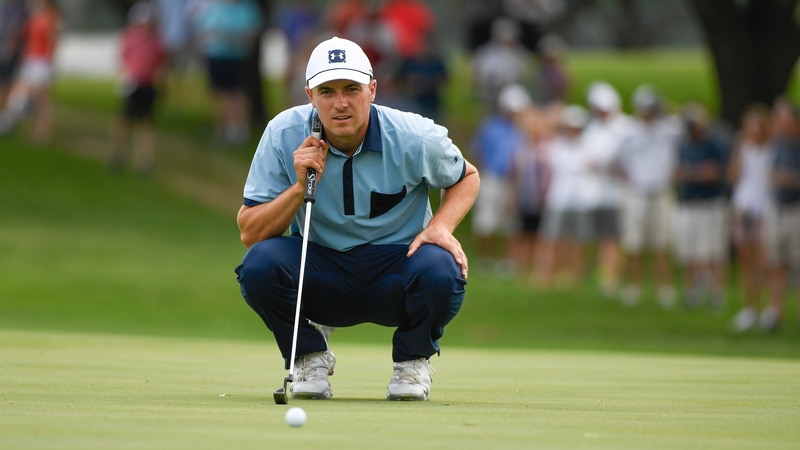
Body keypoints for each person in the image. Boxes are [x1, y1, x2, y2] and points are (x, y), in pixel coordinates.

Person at [235, 37, 479, 401]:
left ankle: (412, 360)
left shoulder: (414, 135)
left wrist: (440, 227)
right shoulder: (284, 133)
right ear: (310, 95)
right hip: (321, 268)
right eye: (327, 91)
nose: (341, 103)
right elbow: (251, 232)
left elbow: (466, 177)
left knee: (443, 266)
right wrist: (298, 188)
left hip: (397, 268)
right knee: (260, 264)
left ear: (373, 90)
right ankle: (308, 354)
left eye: (352, 89)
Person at [617, 85, 681, 308]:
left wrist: (665, 109)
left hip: (661, 192)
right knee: (634, 243)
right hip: (637, 193)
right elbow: (618, 162)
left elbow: (685, 116)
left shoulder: (669, 129)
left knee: (662, 243)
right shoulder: (629, 131)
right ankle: (633, 287)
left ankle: (664, 289)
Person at [469, 83, 531, 277]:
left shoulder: (522, 129)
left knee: (509, 223)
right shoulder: (490, 126)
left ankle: (507, 261)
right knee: (486, 221)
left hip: (513, 181)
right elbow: (478, 151)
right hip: (491, 177)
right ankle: (485, 260)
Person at [673, 102, 728, 310]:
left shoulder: (714, 143)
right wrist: (696, 173)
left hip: (710, 203)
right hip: (689, 202)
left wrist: (692, 173)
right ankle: (693, 291)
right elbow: (678, 173)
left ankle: (716, 292)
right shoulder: (684, 144)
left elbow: (714, 172)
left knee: (713, 250)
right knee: (689, 250)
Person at [581, 82, 631, 298]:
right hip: (596, 193)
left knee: (613, 237)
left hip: (617, 193)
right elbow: (588, 159)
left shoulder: (624, 127)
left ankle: (611, 277)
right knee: (599, 237)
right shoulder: (593, 129)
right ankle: (602, 273)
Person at [192, 0, 262, 145]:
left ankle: (238, 127)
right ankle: (223, 125)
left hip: (238, 57)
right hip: (217, 56)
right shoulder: (214, 8)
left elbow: (253, 31)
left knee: (237, 92)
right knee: (220, 92)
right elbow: (202, 30)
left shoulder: (246, 8)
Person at [728, 104, 773, 332]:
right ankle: (750, 308)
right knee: (746, 262)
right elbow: (733, 177)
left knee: (764, 262)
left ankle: (769, 308)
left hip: (763, 210)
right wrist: (739, 147)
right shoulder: (744, 149)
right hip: (742, 208)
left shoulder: (771, 151)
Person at [109, 2, 167, 175]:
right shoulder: (130, 38)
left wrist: (160, 82)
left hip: (148, 86)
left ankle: (144, 159)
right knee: (124, 121)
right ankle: (118, 154)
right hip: (132, 85)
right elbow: (123, 60)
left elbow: (160, 63)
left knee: (146, 123)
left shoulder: (155, 42)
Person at [761, 98, 800, 331]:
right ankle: (776, 313)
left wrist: (789, 178)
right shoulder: (778, 143)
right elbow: (772, 174)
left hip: (797, 209)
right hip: (777, 208)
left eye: (781, 117)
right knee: (775, 263)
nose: (776, 122)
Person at [1, 0, 59, 142]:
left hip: (41, 62)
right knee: (20, 93)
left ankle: (42, 131)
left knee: (41, 100)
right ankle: (18, 125)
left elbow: (54, 40)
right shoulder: (32, 15)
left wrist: (49, 62)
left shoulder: (50, 16)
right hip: (30, 59)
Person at [0, 0, 28, 112]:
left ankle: (4, 113)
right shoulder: (6, 7)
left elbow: (18, 31)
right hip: (4, 51)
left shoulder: (22, 9)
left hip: (9, 54)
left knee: (6, 84)